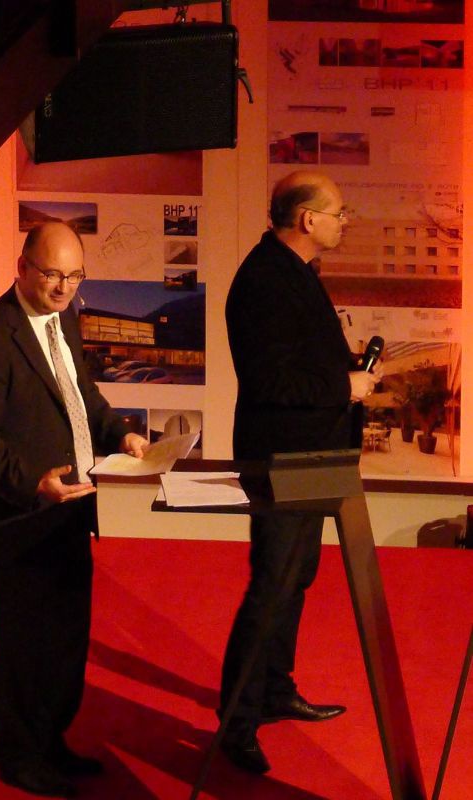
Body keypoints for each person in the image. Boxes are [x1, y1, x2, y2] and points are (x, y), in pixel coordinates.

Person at [0, 222, 148, 798]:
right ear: (22, 268)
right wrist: (32, 484)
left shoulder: (65, 319)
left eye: (75, 275)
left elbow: (81, 398)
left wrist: (119, 434)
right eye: (52, 274)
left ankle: (49, 741)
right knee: (24, 648)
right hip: (19, 520)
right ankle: (21, 757)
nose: (65, 287)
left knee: (64, 641)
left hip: (69, 510)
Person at [219, 170, 382, 773]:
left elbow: (299, 361)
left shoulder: (293, 272)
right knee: (273, 584)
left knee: (297, 577)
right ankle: (236, 722)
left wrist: (346, 370)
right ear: (308, 219)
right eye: (338, 212)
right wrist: (344, 385)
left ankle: (274, 689)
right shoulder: (265, 280)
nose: (345, 221)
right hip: (284, 457)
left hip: (311, 456)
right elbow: (269, 380)